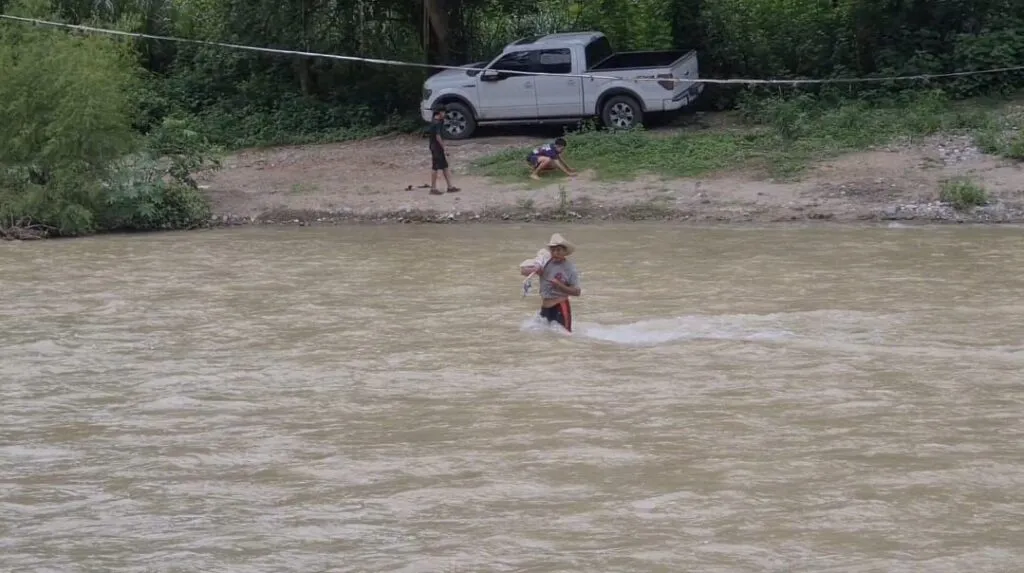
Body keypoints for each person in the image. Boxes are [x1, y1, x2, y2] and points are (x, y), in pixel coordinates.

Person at [537, 233, 581, 332]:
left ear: (565, 252)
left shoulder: (570, 268)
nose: (555, 253)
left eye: (558, 250)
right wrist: (533, 269)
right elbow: (524, 271)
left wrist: (560, 286)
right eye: (552, 250)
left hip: (560, 306)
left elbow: (577, 292)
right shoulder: (544, 263)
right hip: (545, 307)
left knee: (564, 336)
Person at [426, 109, 460, 195]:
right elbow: (438, 136)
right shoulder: (436, 123)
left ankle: (450, 187)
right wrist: (444, 147)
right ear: (439, 112)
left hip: (435, 147)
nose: (445, 114)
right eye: (444, 112)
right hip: (436, 147)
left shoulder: (436, 121)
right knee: (435, 167)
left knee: (445, 166)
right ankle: (433, 188)